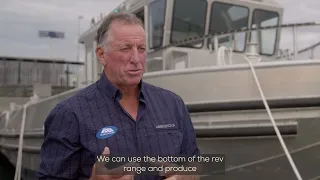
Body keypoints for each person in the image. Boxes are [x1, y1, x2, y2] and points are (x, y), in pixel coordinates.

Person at [37, 12, 200, 180]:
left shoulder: (173, 104)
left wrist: (185, 176)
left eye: (141, 49)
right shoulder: (69, 115)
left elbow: (195, 167)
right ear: (101, 55)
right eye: (125, 48)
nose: (136, 59)